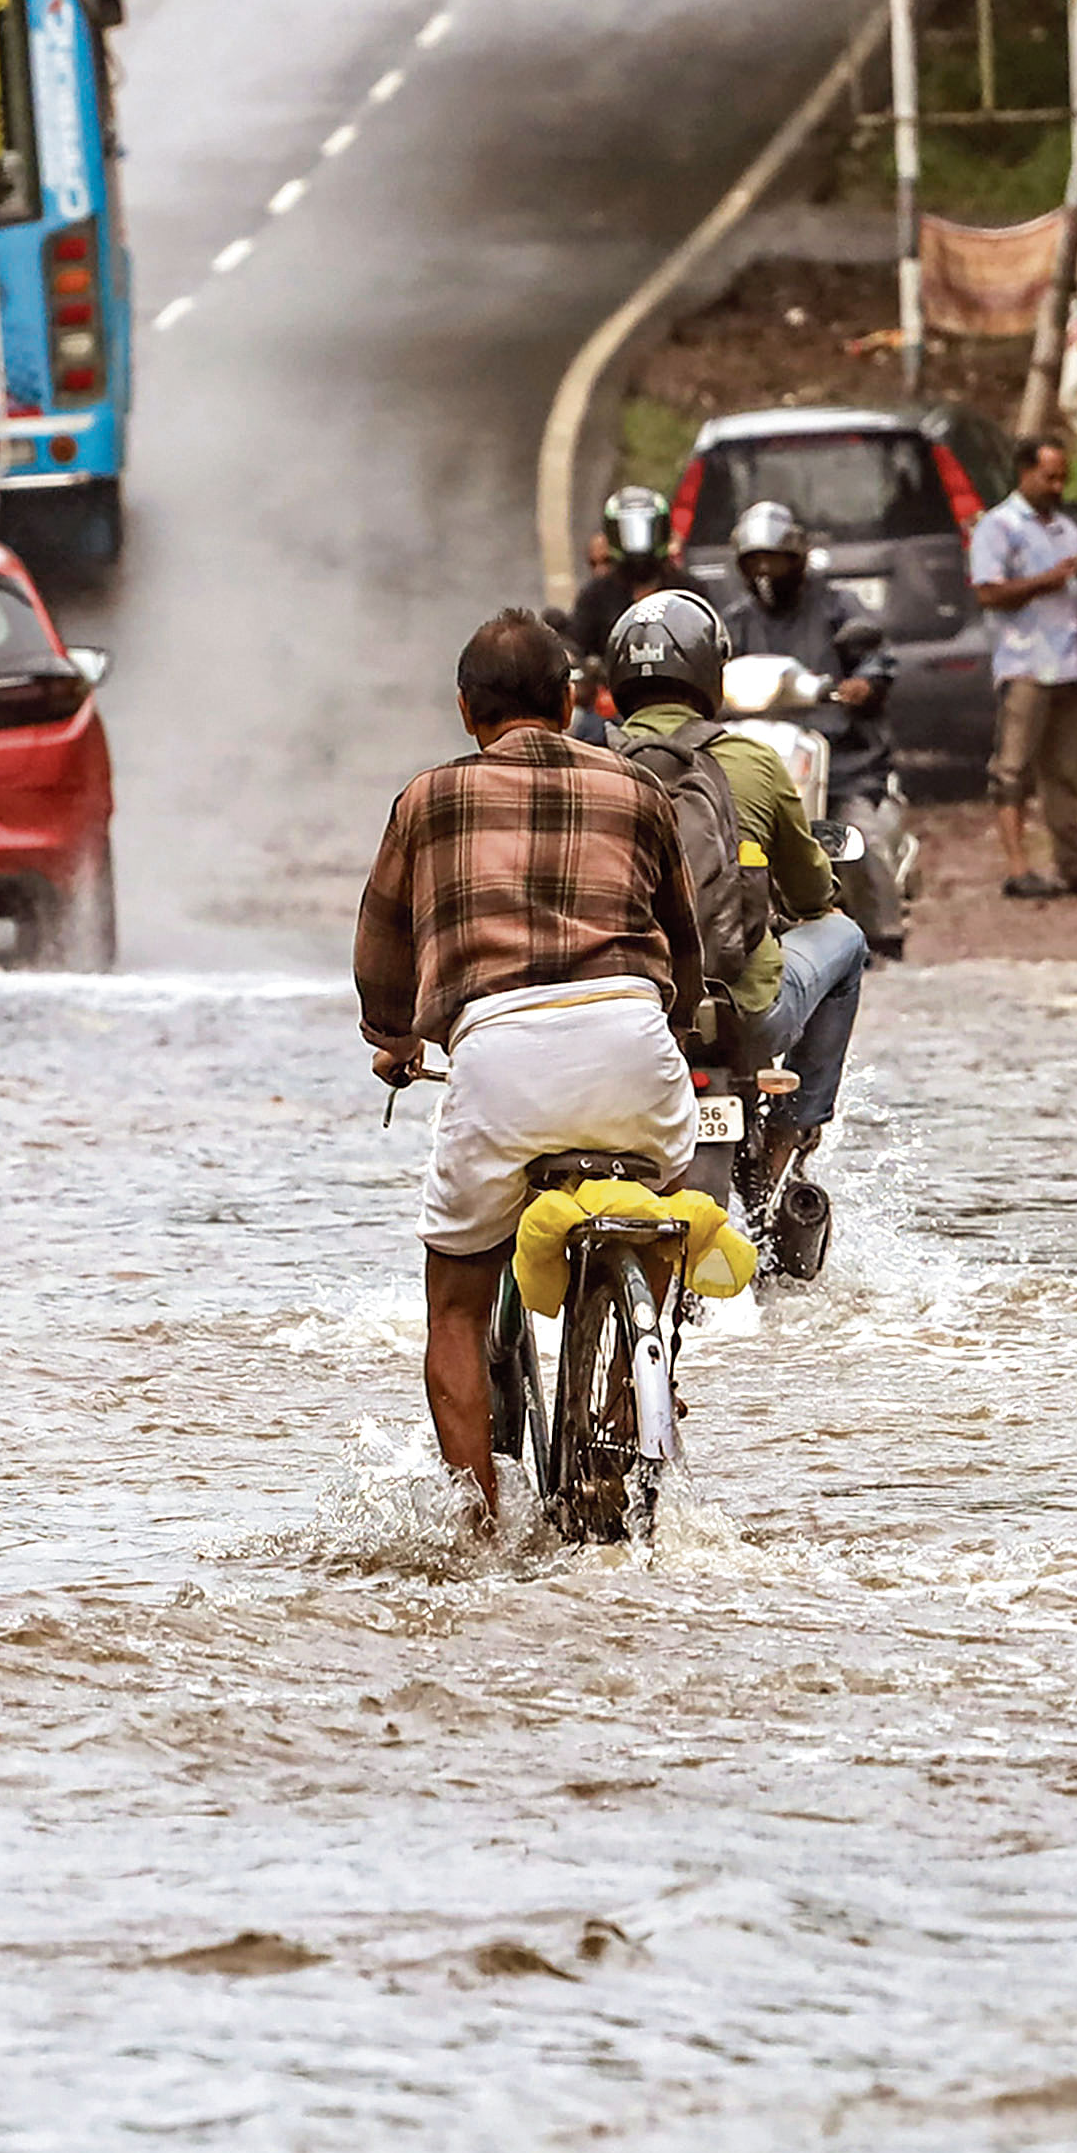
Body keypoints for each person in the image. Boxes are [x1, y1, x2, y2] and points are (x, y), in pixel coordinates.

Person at [355, 611, 703, 1527]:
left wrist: (393, 1036)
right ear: (573, 702)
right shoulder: (637, 790)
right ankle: (634, 1392)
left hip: (501, 1062)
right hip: (635, 1045)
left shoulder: (427, 799)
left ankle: (475, 1535)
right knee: (665, 1205)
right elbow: (687, 949)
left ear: (467, 711)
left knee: (457, 1306)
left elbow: (381, 949)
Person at [606, 587, 861, 1222]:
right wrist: (818, 899)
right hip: (740, 1011)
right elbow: (808, 892)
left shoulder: (589, 765)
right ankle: (789, 1133)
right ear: (707, 671)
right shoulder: (753, 759)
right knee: (848, 942)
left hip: (617, 1015)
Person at [716, 499, 907, 946]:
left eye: (775, 559)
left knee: (859, 839)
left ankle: (884, 930)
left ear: (798, 558)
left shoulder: (837, 607)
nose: (766, 570)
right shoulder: (735, 621)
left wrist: (862, 682)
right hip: (755, 755)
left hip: (839, 758)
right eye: (755, 560)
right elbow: (710, 663)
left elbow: (876, 654)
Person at [968, 432, 1077, 899]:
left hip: (1072, 663)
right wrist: (1048, 580)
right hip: (1025, 662)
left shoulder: (1067, 528)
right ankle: (1018, 868)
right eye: (1049, 476)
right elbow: (988, 592)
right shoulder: (998, 527)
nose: (1058, 486)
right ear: (1025, 473)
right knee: (1013, 769)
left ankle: (1075, 865)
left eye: (1063, 477)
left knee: (1068, 769)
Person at [566, 482, 700, 659]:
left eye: (645, 529)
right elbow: (577, 648)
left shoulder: (689, 590)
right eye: (630, 531)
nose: (638, 544)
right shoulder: (595, 596)